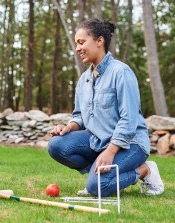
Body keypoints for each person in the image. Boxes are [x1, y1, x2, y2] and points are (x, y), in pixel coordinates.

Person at [47, 18, 164, 197]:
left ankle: (145, 170)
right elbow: (79, 116)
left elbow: (129, 119)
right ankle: (98, 172)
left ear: (99, 41)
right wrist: (68, 127)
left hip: (131, 144)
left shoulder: (121, 73)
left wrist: (111, 150)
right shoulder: (84, 79)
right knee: (56, 145)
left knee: (96, 188)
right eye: (76, 44)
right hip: (97, 141)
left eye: (81, 42)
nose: (77, 48)